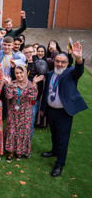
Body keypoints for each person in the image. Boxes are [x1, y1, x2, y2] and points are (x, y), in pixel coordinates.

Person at [40, 42, 88, 177]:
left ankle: (59, 164)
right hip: (51, 110)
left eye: (62, 62)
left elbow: (79, 71)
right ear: (54, 61)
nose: (59, 64)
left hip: (64, 112)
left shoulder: (70, 73)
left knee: (62, 138)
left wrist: (78, 59)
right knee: (54, 133)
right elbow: (46, 93)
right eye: (57, 61)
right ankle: (54, 151)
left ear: (67, 64)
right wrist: (43, 108)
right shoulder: (50, 74)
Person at [3, 66, 42, 162]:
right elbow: (8, 96)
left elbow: (33, 97)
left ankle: (19, 151)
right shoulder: (13, 83)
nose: (19, 75)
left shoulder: (30, 84)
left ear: (25, 73)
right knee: (12, 131)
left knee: (22, 132)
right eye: (17, 73)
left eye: (21, 72)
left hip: (25, 113)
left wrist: (34, 83)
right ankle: (11, 151)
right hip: (13, 112)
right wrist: (8, 84)